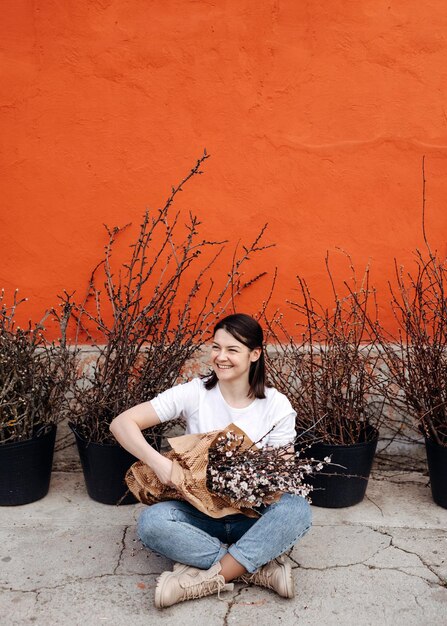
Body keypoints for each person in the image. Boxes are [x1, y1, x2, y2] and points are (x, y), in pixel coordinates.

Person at [110, 313, 311, 609]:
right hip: (199, 514)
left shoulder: (276, 405)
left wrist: (248, 483)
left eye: (232, 350)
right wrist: (159, 463)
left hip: (251, 518)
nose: (221, 357)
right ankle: (257, 571)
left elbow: (281, 478)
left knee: (297, 510)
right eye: (216, 347)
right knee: (152, 523)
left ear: (255, 354)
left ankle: (200, 580)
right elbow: (121, 424)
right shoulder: (195, 393)